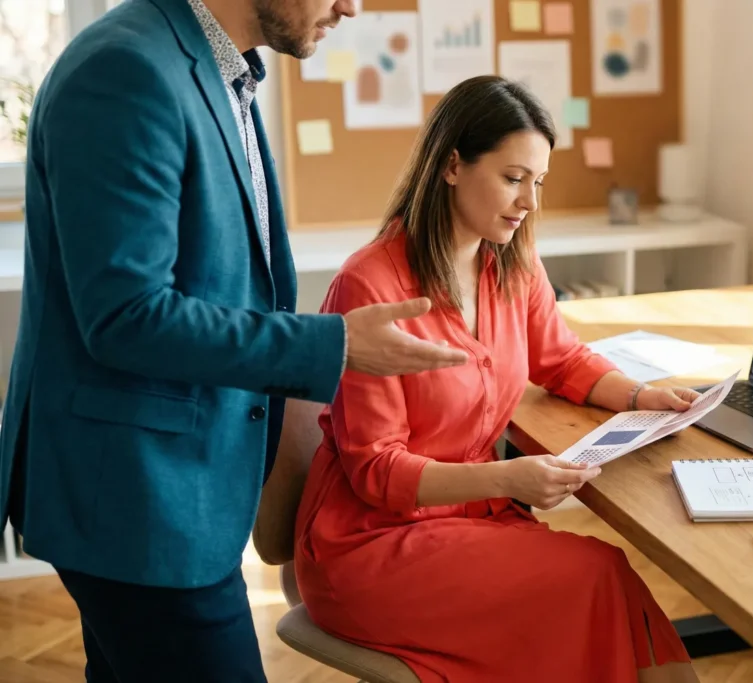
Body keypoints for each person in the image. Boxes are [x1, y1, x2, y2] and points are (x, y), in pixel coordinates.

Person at [0, 0, 468, 681]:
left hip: (168, 490)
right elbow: (127, 315)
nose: (352, 5)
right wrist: (330, 345)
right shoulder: (126, 70)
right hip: (136, 501)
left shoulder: (222, 72)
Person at [293, 75, 703, 683]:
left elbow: (561, 359)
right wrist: (509, 476)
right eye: (514, 179)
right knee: (593, 574)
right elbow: (378, 471)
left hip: (471, 520)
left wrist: (645, 397)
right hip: (372, 544)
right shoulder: (370, 285)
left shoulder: (511, 261)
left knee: (600, 580)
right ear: (453, 165)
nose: (530, 202)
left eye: (538, 182)